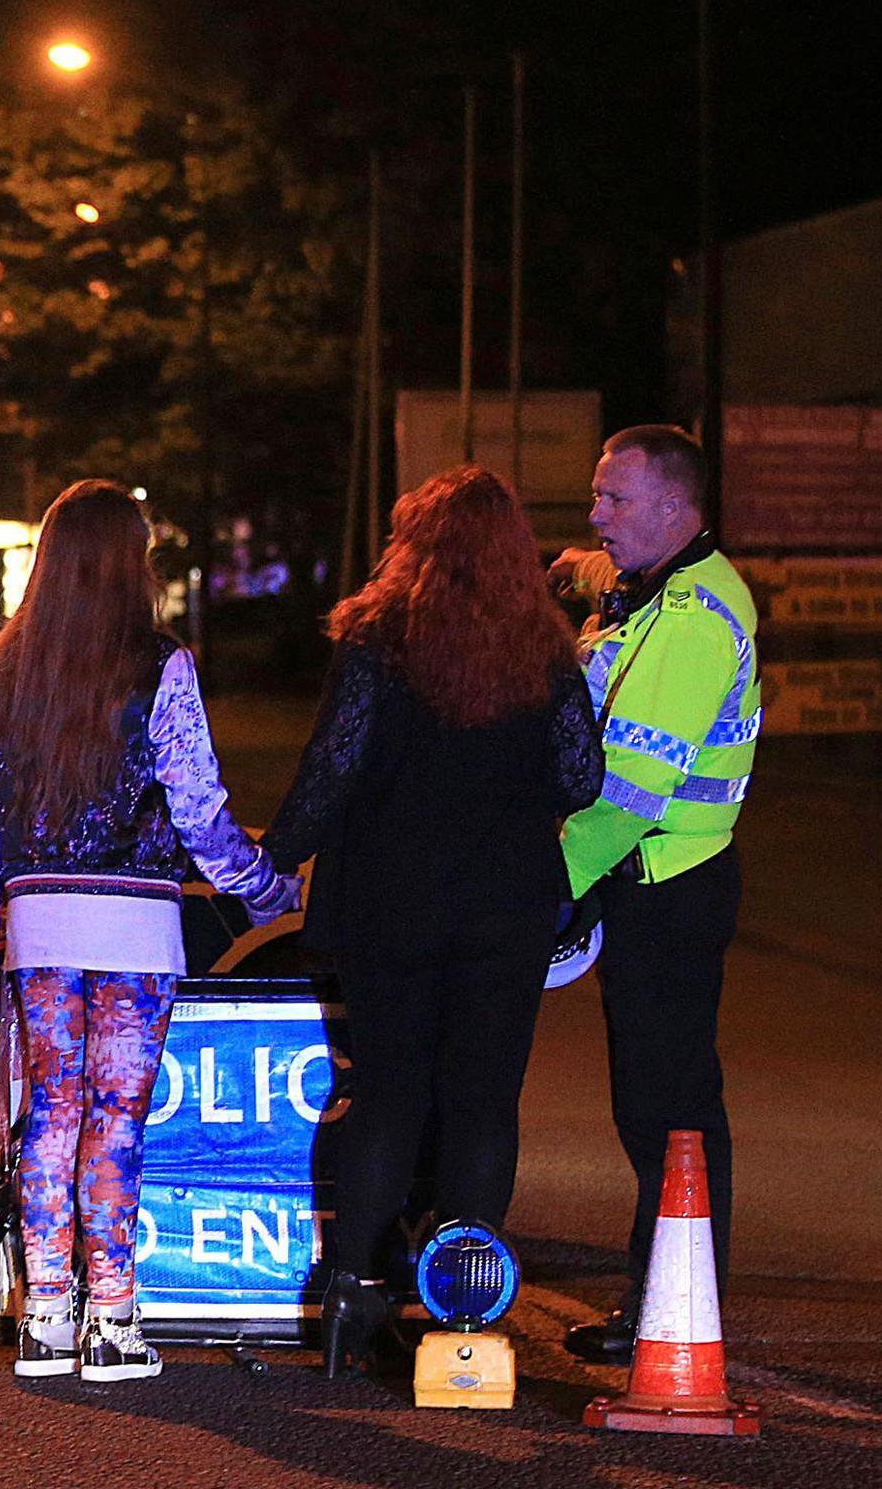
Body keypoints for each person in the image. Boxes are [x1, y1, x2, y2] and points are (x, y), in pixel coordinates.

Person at [258, 468, 602, 1374]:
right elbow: (581, 779)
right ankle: (465, 1303)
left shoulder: (377, 640)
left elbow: (332, 767)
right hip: (506, 908)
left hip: (391, 903)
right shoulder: (545, 648)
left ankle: (350, 1297)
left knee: (389, 1093)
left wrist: (270, 854)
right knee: (484, 1101)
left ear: (413, 545)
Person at [0, 479, 295, 1386]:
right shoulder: (162, 666)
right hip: (138, 924)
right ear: (130, 562)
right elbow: (198, 806)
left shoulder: (9, 667)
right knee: (115, 1118)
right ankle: (111, 1322)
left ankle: (43, 1318)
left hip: (39, 920)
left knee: (51, 1111)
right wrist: (263, 887)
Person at [556, 423, 762, 1366]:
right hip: (663, 884)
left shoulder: (688, 619)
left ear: (678, 509)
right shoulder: (661, 593)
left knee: (667, 1108)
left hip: (664, 886)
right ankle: (669, 1303)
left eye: (615, 500)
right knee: (660, 1103)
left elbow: (631, 790)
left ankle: (672, 1313)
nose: (597, 516)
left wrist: (543, 886)